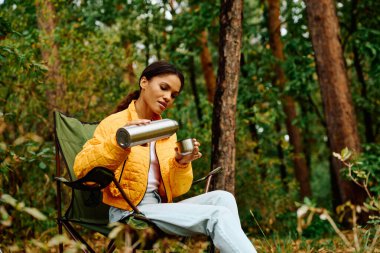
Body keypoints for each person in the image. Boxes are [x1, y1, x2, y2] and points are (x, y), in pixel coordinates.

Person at [73, 61, 257, 253]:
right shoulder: (115, 124)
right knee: (216, 215)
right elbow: (81, 169)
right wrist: (120, 141)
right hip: (129, 213)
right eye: (164, 88)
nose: (168, 97)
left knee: (223, 198)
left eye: (174, 95)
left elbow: (175, 191)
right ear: (144, 82)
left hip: (159, 208)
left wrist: (181, 163)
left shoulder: (166, 131)